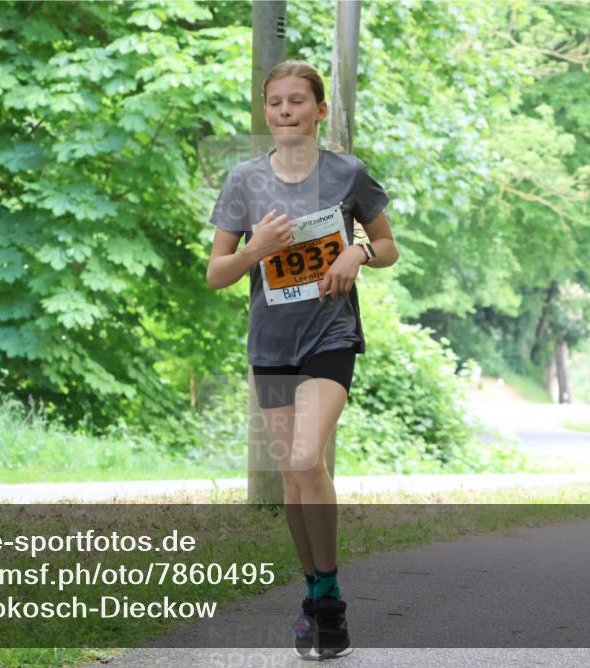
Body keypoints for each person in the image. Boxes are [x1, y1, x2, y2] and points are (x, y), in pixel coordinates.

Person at [205, 60, 399, 659]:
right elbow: (217, 274)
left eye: (296, 101)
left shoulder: (348, 173)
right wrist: (256, 248)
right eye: (274, 102)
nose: (284, 111)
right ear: (266, 111)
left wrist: (359, 252)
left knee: (304, 456)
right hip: (270, 345)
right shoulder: (243, 181)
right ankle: (318, 598)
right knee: (294, 476)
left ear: (319, 111)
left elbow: (389, 244)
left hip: (330, 337)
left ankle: (331, 596)